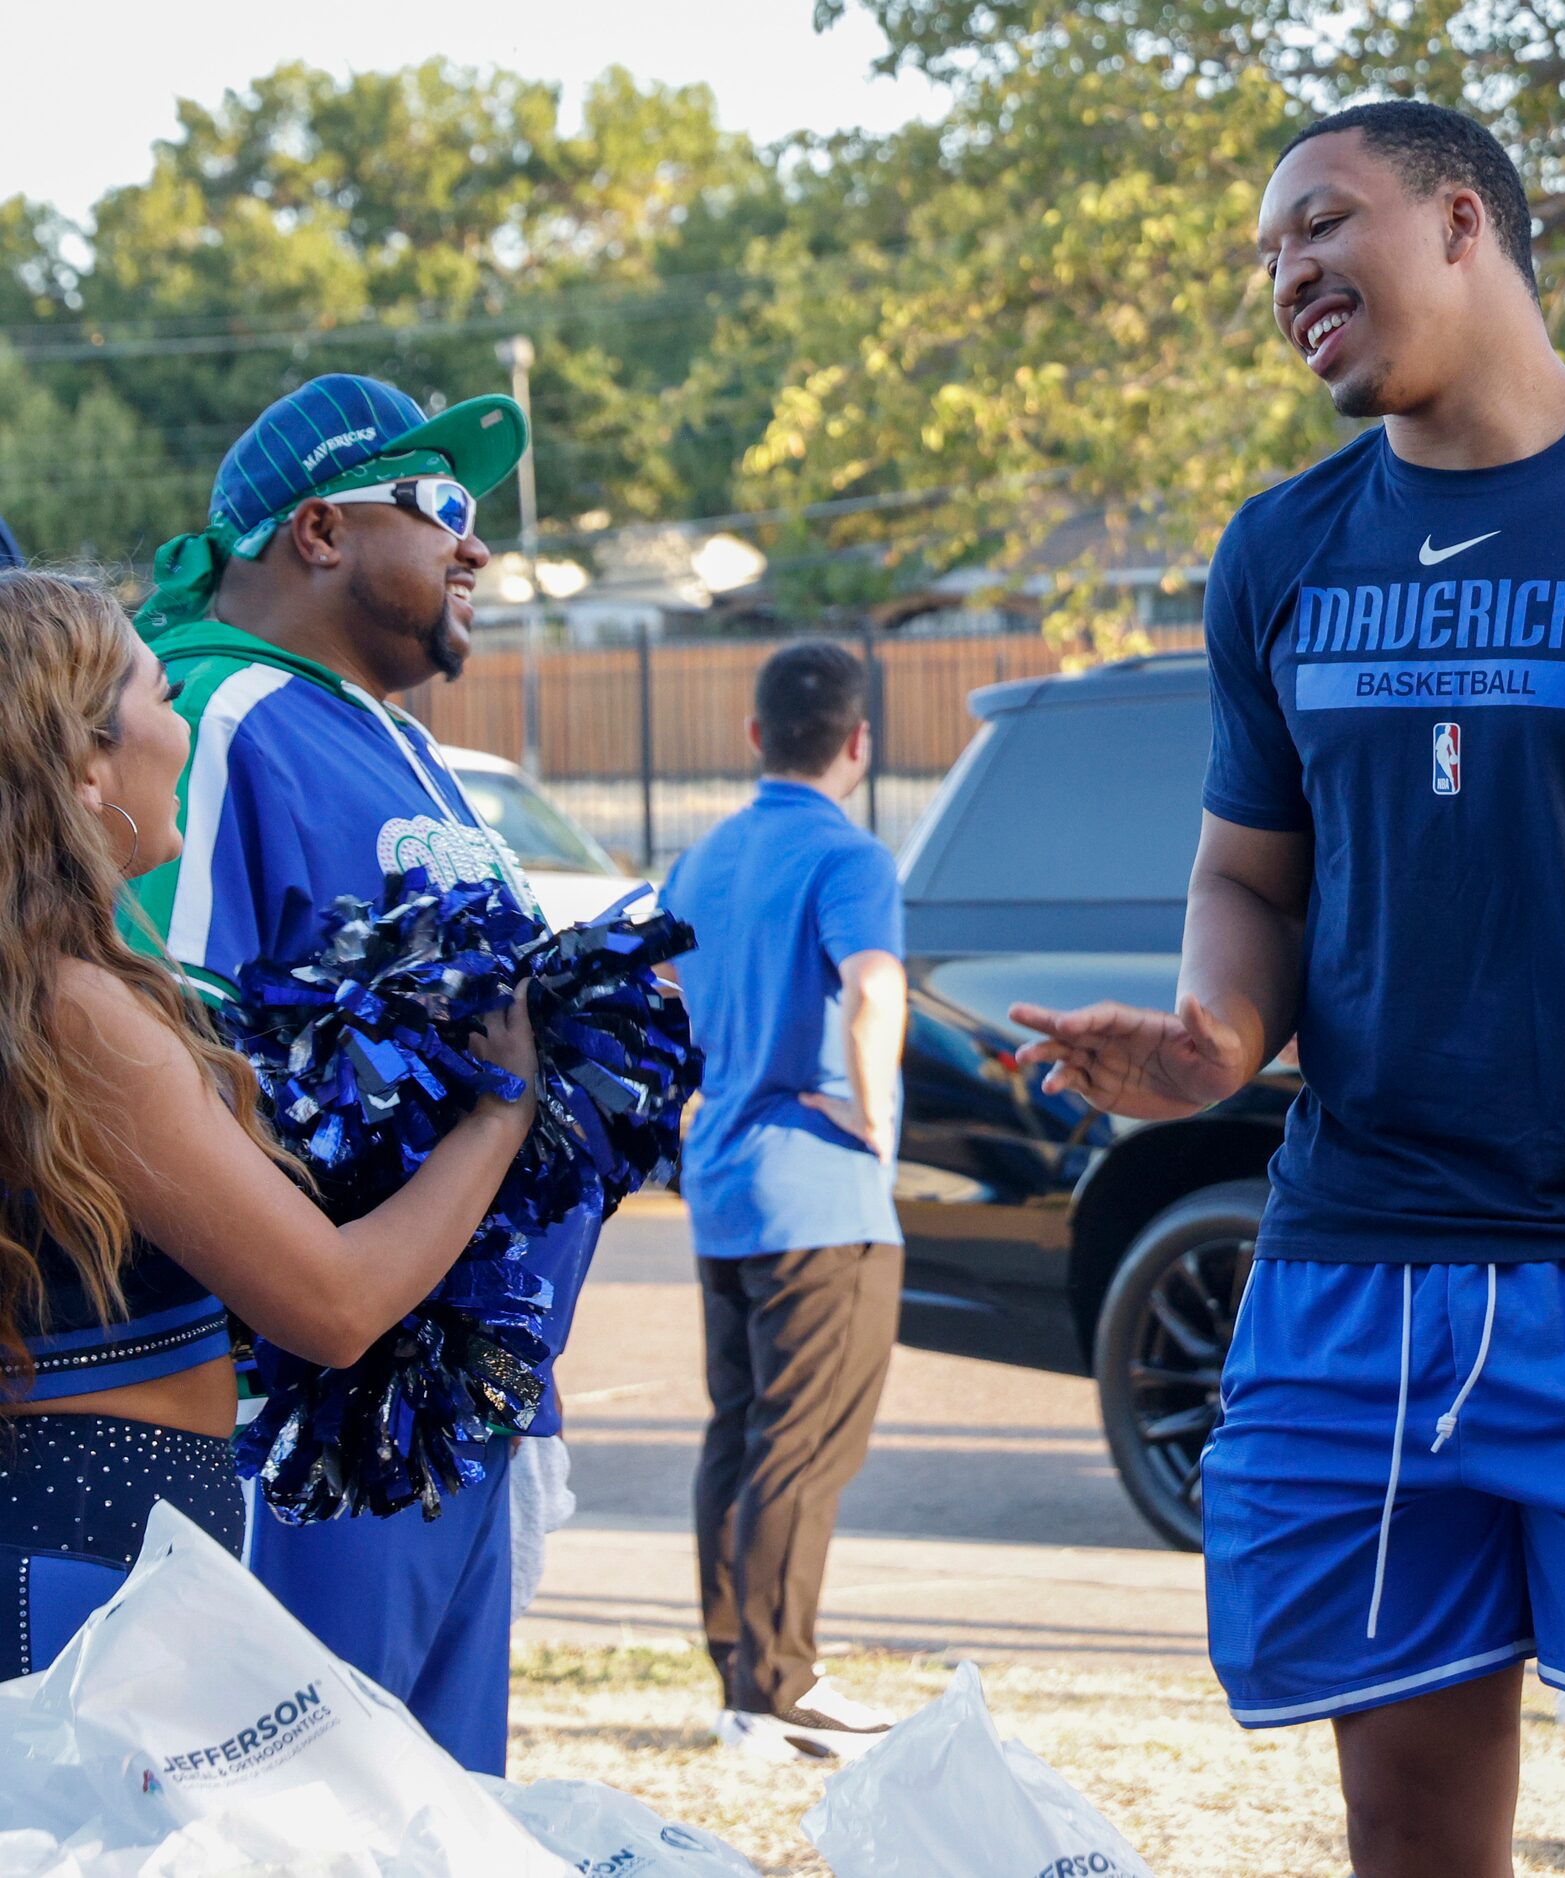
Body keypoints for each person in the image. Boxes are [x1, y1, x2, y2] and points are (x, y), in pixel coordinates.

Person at [1013, 101, 1565, 1877]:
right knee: (1403, 1821)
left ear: (1465, 220)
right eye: (1265, 256)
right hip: (1355, 1273)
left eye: (1319, 224)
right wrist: (1209, 1038)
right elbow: (1250, 878)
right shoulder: (1278, 551)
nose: (1286, 277)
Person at [128, 373, 595, 1776]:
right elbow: (163, 1071)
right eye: (442, 505)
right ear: (319, 529)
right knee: (297, 1822)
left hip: (458, 1404)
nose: (477, 545)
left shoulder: (403, 743)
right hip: (312, 1419)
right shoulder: (209, 715)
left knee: (432, 1823)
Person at [0, 568, 537, 1680]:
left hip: (73, 1527)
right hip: (85, 1545)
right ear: (86, 762)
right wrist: (500, 1111)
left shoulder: (52, 992)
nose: (184, 730)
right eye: (160, 697)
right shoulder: (77, 1010)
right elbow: (329, 1306)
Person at [659, 641, 909, 1763]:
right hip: (821, 1193)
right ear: (858, 744)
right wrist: (875, 1118)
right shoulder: (850, 858)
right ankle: (780, 1690)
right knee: (804, 1449)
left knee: (743, 1433)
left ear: (756, 737)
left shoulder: (702, 860)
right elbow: (873, 989)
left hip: (722, 1182)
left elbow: (652, 996)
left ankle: (740, 1677)